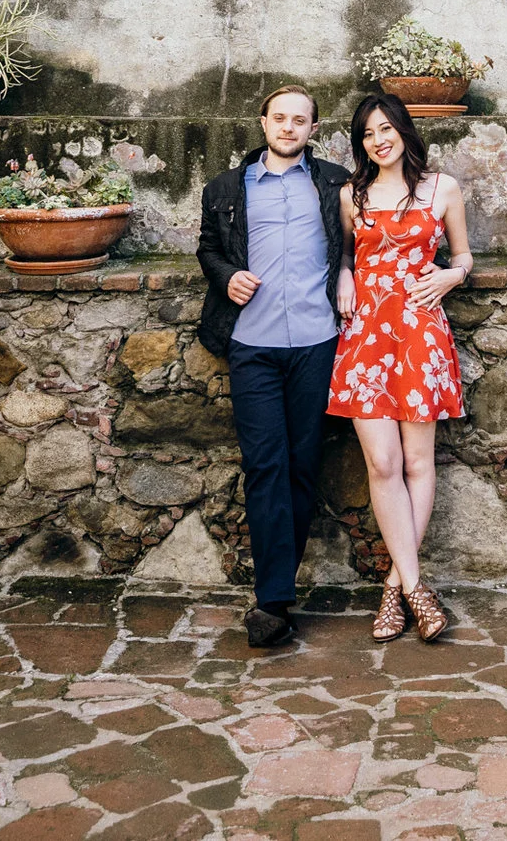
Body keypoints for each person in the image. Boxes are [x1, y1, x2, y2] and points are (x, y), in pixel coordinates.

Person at [196, 86, 354, 649]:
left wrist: (346, 271)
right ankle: (273, 600)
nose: (289, 127)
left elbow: (362, 237)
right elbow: (208, 247)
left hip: (316, 341)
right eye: (279, 118)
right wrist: (225, 275)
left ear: (313, 128)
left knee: (303, 463)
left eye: (300, 120)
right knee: (265, 464)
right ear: (263, 122)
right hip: (253, 344)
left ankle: (278, 586)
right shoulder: (226, 188)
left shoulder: (334, 181)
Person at [328, 93, 473, 644]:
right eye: (367, 134)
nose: (378, 140)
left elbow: (463, 257)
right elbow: (345, 255)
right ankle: (416, 589)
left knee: (417, 461)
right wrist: (344, 275)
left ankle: (395, 588)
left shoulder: (442, 189)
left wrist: (449, 278)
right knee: (382, 462)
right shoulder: (351, 195)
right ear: (360, 143)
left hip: (419, 333)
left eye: (386, 128)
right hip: (366, 336)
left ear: (404, 131)